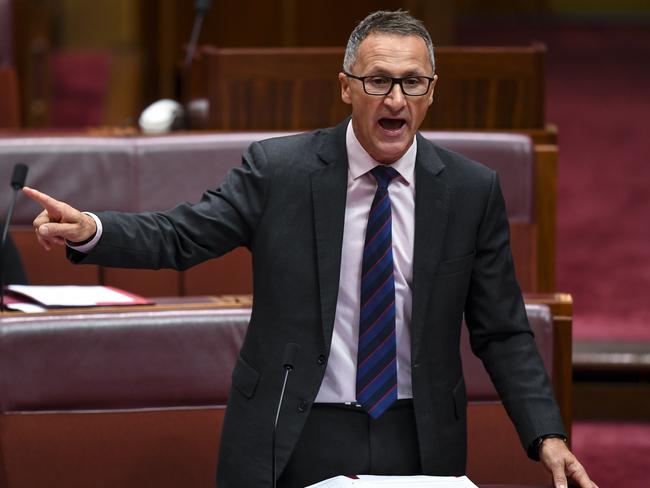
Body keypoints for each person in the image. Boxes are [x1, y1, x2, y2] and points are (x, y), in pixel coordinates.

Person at [24, 10, 596, 488]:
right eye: (377, 80)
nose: (395, 97)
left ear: (431, 92)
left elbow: (502, 329)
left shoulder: (471, 192)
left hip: (415, 434)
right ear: (346, 86)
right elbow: (182, 235)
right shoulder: (280, 172)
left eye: (412, 82)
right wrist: (93, 230)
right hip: (292, 428)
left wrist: (546, 434)